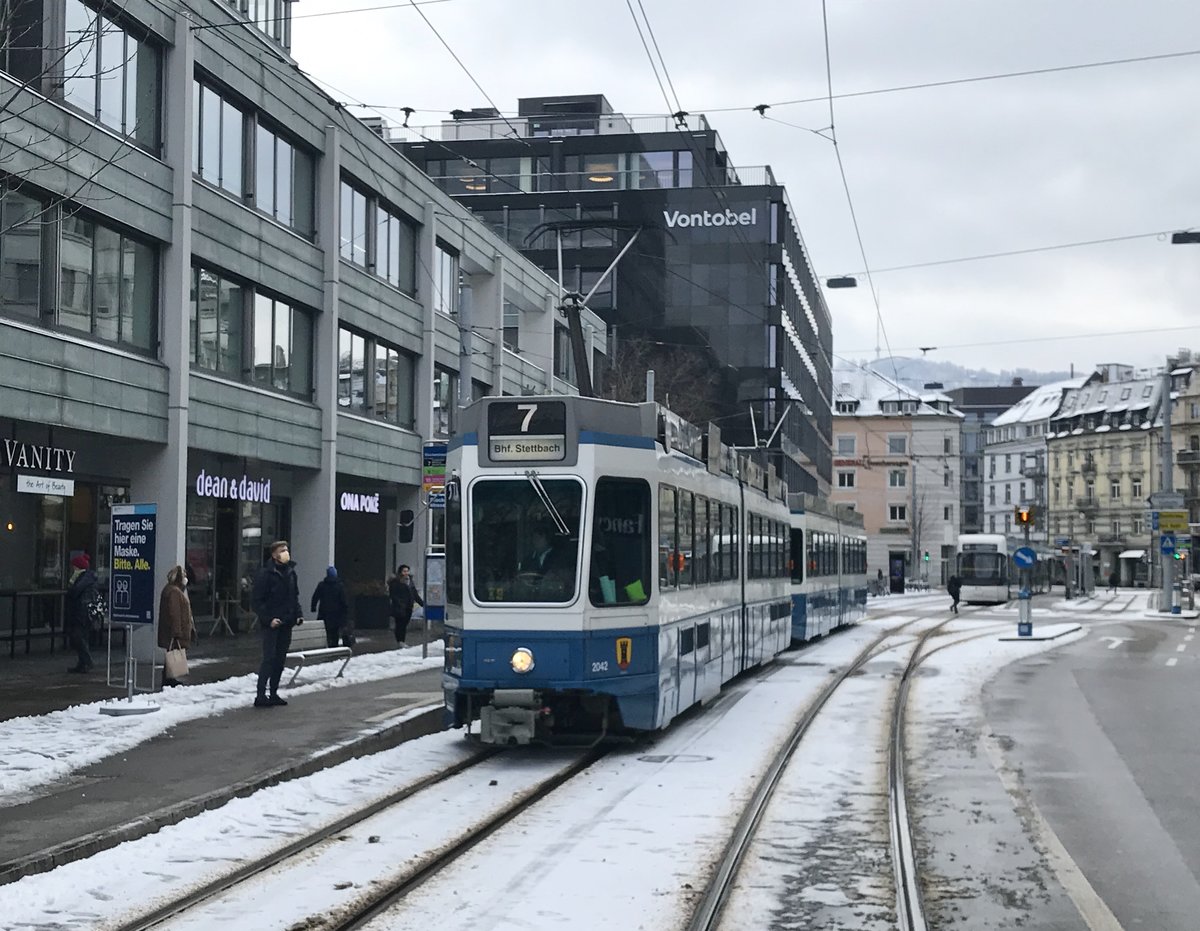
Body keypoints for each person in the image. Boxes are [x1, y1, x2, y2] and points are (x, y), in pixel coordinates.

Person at [251, 540, 303, 708]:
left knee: (280, 660)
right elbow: (257, 601)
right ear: (274, 554)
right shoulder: (265, 574)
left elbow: (294, 597)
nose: (285, 553)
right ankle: (261, 695)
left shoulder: (290, 573)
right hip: (272, 624)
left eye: (287, 549)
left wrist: (298, 615)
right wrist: (268, 619)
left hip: (286, 623)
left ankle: (273, 693)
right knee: (269, 659)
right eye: (282, 550)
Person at [157, 565, 195, 687]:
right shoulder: (174, 592)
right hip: (173, 631)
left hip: (170, 630)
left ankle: (168, 678)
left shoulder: (172, 590)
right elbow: (175, 613)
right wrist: (177, 632)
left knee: (170, 655)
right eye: (184, 576)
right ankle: (169, 678)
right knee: (172, 654)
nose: (186, 578)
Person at [65, 553, 98, 673]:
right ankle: (82, 663)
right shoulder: (87, 577)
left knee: (78, 637)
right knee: (80, 637)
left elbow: (74, 592)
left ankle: (87, 661)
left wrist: (72, 581)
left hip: (82, 613)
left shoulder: (84, 578)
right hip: (81, 612)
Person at [311, 565, 351, 648]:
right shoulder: (340, 586)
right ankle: (334, 646)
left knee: (326, 631)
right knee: (335, 632)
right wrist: (345, 612)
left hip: (324, 613)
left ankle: (327, 645)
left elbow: (315, 597)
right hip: (337, 614)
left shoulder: (322, 585)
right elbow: (344, 601)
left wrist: (313, 607)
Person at [388, 564, 424, 644]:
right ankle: (400, 640)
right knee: (400, 624)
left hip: (408, 607)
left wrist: (422, 603)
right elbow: (393, 595)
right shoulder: (395, 582)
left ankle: (401, 640)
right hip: (399, 607)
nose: (406, 573)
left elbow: (414, 594)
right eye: (404, 571)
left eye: (407, 571)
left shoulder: (410, 581)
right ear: (400, 572)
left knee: (404, 624)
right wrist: (400, 603)